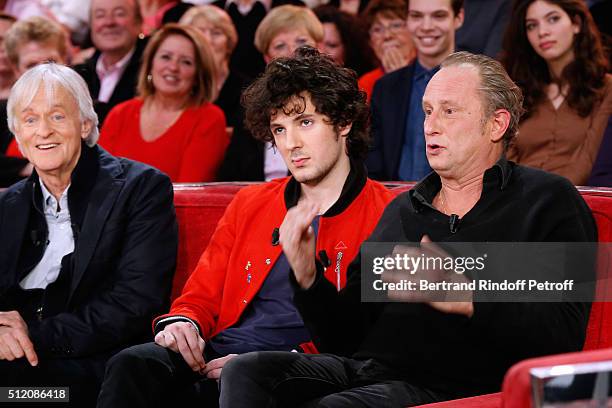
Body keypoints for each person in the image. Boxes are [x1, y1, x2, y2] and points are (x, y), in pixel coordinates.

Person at [218, 51, 597, 407]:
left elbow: (562, 335)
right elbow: (346, 339)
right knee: (248, 371)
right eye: (427, 111)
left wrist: (469, 298)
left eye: (449, 112)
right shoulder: (405, 210)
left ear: (496, 124)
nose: (430, 126)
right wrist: (307, 277)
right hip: (371, 371)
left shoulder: (548, 201)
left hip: (458, 385)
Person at [97, 46, 394, 408]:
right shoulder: (251, 203)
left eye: (305, 123)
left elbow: (365, 338)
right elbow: (199, 296)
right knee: (132, 364)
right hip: (221, 350)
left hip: (303, 365)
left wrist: (260, 361)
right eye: (279, 129)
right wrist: (184, 324)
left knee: (244, 376)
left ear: (344, 123)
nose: (291, 144)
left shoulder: (387, 212)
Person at [0, 63, 178, 406]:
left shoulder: (140, 189)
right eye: (30, 119)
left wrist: (30, 336)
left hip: (85, 367)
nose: (43, 132)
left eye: (57, 117)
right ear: (18, 135)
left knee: (20, 397)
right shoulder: (9, 205)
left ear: (84, 124)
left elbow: (135, 302)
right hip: (13, 359)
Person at [98, 24, 228, 183]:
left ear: (198, 75)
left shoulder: (209, 119)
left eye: (186, 62)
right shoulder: (120, 114)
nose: (173, 67)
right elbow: (101, 182)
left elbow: (189, 192)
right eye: (166, 57)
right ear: (151, 64)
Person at [502, 0, 611, 186]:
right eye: (532, 26)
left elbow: (588, 161)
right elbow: (506, 160)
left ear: (576, 24)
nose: (542, 32)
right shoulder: (517, 91)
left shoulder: (606, 87)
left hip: (575, 202)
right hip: (519, 204)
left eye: (553, 19)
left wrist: (549, 200)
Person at [218, 4, 324, 181]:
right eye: (280, 46)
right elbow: (231, 175)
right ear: (267, 58)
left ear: (319, 48)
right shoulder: (251, 107)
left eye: (301, 42)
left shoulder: (334, 102)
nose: (292, 53)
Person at [367, 0, 464, 182]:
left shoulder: (477, 83)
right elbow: (373, 163)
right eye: (416, 16)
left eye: (438, 16)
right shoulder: (386, 87)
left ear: (458, 18)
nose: (426, 27)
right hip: (395, 203)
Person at [1, 15, 70, 182]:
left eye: (50, 62)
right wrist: (25, 167)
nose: (43, 73)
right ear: (16, 70)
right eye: (31, 65)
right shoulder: (2, 115)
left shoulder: (92, 113)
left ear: (66, 61)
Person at [73, 0, 146, 126]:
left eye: (119, 14)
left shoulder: (151, 73)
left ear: (138, 23)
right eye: (100, 15)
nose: (109, 22)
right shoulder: (78, 75)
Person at [179, 5, 249, 130]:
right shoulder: (177, 85)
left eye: (216, 33)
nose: (208, 40)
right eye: (200, 32)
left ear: (228, 43)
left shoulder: (248, 90)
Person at [357, 0, 415, 101]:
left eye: (396, 25)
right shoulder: (365, 84)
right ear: (371, 42)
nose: (387, 35)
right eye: (377, 29)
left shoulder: (430, 72)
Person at [314, 5, 376, 77]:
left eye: (332, 45)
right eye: (315, 43)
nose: (321, 51)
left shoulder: (365, 83)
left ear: (348, 50)